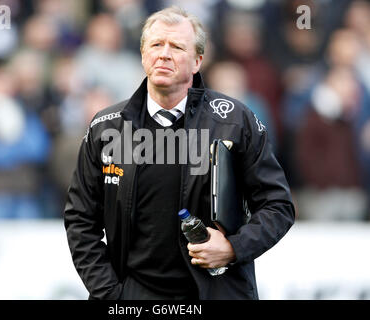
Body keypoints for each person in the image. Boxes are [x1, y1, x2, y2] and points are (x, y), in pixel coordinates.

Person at [64, 6, 295, 300]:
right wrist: (111, 293)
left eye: (176, 46)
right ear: (143, 54)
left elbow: (278, 206)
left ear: (198, 61)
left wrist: (234, 248)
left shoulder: (235, 122)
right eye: (156, 44)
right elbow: (80, 219)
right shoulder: (106, 127)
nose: (164, 53)